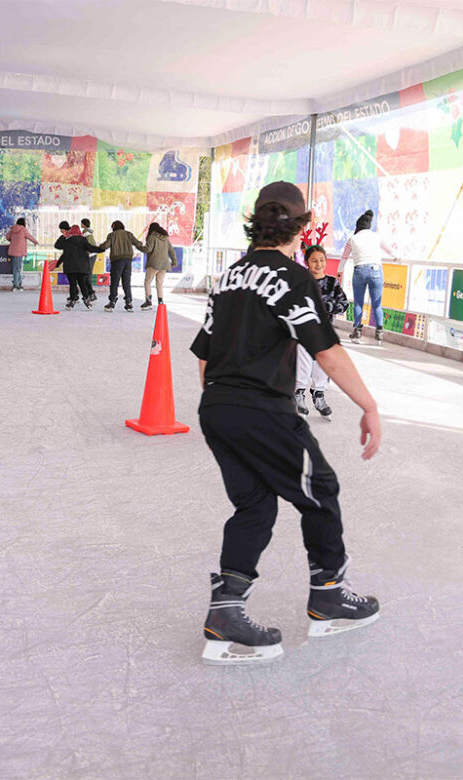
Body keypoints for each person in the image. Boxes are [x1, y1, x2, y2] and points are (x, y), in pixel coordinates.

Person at [190, 181, 381, 665]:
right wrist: (369, 406)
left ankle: (226, 611)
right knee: (320, 489)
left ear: (256, 222)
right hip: (260, 409)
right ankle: (329, 594)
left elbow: (204, 355)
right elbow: (326, 351)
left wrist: (224, 407)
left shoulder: (229, 277)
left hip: (217, 406)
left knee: (255, 506)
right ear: (300, 227)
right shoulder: (294, 279)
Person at [295, 245, 349, 419]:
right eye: (314, 260)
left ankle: (319, 395)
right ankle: (299, 395)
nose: (318, 264)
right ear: (307, 263)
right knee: (303, 361)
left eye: (321, 260)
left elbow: (344, 304)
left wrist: (328, 306)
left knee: (323, 364)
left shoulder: (332, 283)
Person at [341, 209, 397, 344]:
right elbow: (389, 250)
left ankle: (357, 332)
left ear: (358, 226)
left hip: (359, 270)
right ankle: (379, 333)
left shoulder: (352, 239)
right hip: (376, 270)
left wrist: (339, 271)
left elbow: (344, 257)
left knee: (358, 303)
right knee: (377, 304)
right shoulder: (376, 236)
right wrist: (396, 257)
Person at [97, 220, 145, 312]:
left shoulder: (112, 235)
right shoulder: (128, 234)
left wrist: (100, 246)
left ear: (114, 227)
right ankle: (129, 302)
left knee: (115, 282)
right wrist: (140, 244)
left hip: (117, 261)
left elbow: (104, 246)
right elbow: (138, 244)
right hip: (128, 260)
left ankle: (112, 302)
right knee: (126, 282)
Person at [53, 222, 102, 309]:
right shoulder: (84, 240)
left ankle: (72, 302)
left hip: (70, 267)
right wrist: (101, 249)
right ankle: (87, 300)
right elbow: (91, 248)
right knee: (82, 284)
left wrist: (58, 263)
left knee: (73, 284)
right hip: (82, 267)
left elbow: (58, 247)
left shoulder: (67, 241)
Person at [140, 222, 177, 311]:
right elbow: (171, 251)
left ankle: (148, 302)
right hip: (164, 264)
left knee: (147, 282)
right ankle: (160, 302)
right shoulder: (165, 238)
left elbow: (148, 249)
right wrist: (174, 261)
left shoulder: (152, 237)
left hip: (154, 263)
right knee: (159, 283)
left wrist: (139, 247)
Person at [4, 217, 38, 291]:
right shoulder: (23, 229)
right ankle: (16, 285)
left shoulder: (12, 229)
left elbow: (7, 237)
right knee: (18, 269)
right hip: (19, 252)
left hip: (12, 251)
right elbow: (29, 236)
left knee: (15, 268)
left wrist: (12, 240)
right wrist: (35, 241)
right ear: (23, 223)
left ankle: (18, 283)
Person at [80, 218, 98, 305]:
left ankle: (91, 294)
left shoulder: (85, 232)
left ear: (84, 224)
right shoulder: (88, 232)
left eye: (81, 223)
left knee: (87, 274)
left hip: (90, 254)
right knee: (87, 274)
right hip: (92, 254)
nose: (81, 225)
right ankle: (90, 293)